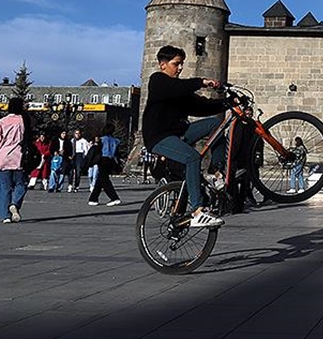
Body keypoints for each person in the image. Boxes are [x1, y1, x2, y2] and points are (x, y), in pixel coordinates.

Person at [142, 44, 228, 228]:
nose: (180, 68)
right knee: (192, 157)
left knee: (215, 124)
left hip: (180, 133)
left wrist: (227, 103)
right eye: (176, 64)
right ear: (163, 64)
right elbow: (177, 88)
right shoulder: (158, 81)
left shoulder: (179, 90)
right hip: (159, 137)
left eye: (182, 64)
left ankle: (216, 171)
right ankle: (198, 211)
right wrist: (201, 81)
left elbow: (201, 106)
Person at [0, 98, 29, 223]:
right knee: (21, 184)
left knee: (4, 188)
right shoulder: (23, 120)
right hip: (18, 158)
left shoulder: (2, 121)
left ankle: (6, 216)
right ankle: (15, 203)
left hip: (3, 158)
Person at [87, 124, 122, 206]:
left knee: (105, 180)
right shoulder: (116, 141)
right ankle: (93, 198)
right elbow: (117, 153)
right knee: (100, 180)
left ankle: (114, 198)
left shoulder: (102, 139)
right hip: (111, 160)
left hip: (103, 159)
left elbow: (98, 150)